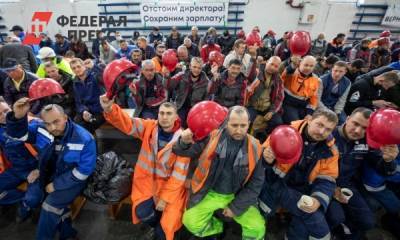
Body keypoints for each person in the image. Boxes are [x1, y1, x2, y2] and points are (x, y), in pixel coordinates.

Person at [100, 97, 189, 240]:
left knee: (166, 231)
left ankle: (160, 229)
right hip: (146, 183)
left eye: (169, 113)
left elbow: (178, 177)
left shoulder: (183, 141)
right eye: (162, 113)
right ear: (157, 115)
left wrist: (164, 199)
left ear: (176, 116)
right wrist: (109, 109)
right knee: (143, 213)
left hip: (170, 189)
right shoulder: (150, 127)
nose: (164, 117)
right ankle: (155, 225)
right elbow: (127, 123)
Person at [6, 99, 96, 240]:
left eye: (56, 121)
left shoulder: (84, 138)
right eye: (48, 123)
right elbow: (18, 135)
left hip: (72, 180)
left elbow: (83, 172)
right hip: (46, 174)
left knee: (50, 205)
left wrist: (56, 185)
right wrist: (18, 116)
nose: (52, 127)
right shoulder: (40, 128)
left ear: (65, 118)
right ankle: (68, 234)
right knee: (36, 199)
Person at [173, 106, 266, 240]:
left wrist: (235, 208)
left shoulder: (256, 147)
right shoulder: (211, 137)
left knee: (257, 227)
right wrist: (183, 142)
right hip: (210, 193)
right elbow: (181, 151)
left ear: (249, 124)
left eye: (243, 125)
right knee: (190, 222)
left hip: (236, 195)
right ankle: (217, 228)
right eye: (234, 125)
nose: (239, 130)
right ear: (226, 122)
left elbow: (256, 184)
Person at [260, 109, 339, 240]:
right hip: (274, 184)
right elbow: (258, 163)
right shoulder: (284, 133)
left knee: (304, 226)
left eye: (328, 129)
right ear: (309, 119)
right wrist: (266, 159)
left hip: (302, 192)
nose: (322, 132)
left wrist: (318, 200)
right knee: (316, 223)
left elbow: (327, 179)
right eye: (319, 125)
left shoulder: (331, 150)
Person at [0, 98, 40, 222]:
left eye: (6, 111)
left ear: (12, 108)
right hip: (16, 169)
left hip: (37, 168)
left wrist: (39, 169)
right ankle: (23, 199)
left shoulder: (34, 123)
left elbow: (51, 152)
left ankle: (25, 206)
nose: (4, 116)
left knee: (32, 199)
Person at [245, 56, 284, 139]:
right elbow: (247, 74)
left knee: (277, 122)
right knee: (247, 120)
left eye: (276, 66)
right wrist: (253, 57)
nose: (273, 67)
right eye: (271, 64)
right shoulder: (257, 72)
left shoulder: (278, 79)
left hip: (267, 107)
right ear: (267, 62)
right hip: (253, 105)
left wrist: (272, 111)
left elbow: (280, 97)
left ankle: (264, 138)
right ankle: (245, 139)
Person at [165, 57, 209, 126]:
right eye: (194, 67)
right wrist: (167, 76)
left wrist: (202, 111)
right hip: (180, 106)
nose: (196, 70)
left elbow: (207, 97)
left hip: (195, 109)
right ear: (190, 66)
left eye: (199, 68)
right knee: (178, 124)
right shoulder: (181, 75)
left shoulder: (206, 81)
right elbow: (169, 86)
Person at [70, 58, 105, 133]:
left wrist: (94, 66)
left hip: (99, 110)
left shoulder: (94, 75)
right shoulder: (75, 82)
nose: (77, 69)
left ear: (84, 66)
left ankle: (92, 142)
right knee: (76, 123)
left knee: (91, 123)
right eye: (74, 68)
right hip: (87, 110)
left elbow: (104, 77)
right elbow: (78, 102)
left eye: (78, 66)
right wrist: (84, 111)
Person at [281, 55, 319, 123]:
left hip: (303, 107)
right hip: (288, 104)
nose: (308, 68)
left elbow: (314, 99)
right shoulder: (291, 72)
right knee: (296, 123)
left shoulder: (315, 79)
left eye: (311, 66)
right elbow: (284, 74)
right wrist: (292, 64)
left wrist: (309, 114)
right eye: (306, 65)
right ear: (300, 63)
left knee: (309, 123)